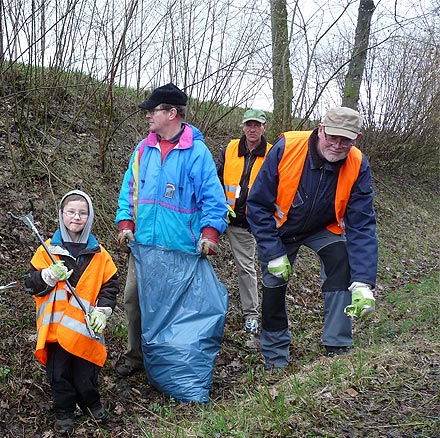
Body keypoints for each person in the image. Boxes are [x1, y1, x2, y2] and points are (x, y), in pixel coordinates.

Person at [246, 106, 378, 370]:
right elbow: (257, 205)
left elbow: (362, 224)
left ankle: (338, 345)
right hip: (281, 229)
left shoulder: (357, 163)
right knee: (274, 281)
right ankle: (275, 354)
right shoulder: (287, 147)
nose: (338, 145)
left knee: (341, 262)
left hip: (323, 227)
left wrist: (364, 282)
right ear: (320, 130)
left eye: (346, 140)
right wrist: (272, 252)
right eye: (332, 137)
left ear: (357, 138)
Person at [115, 83, 229, 377]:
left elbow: (213, 200)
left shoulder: (197, 153)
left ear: (172, 113)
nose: (148, 116)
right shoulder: (143, 149)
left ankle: (169, 363)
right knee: (134, 300)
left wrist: (210, 235)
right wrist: (126, 224)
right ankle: (135, 355)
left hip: (179, 249)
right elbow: (129, 191)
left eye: (153, 111)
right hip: (143, 246)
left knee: (173, 308)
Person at [23, 190, 119, 434]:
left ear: (90, 217)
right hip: (56, 331)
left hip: (86, 329)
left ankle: (91, 404)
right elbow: (30, 283)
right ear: (62, 215)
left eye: (82, 213)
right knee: (59, 375)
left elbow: (110, 286)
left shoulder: (100, 254)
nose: (76, 217)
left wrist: (103, 311)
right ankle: (64, 411)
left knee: (87, 373)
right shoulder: (47, 250)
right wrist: (47, 276)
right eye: (71, 212)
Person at [217, 109, 271, 334]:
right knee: (195, 255)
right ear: (243, 126)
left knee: (246, 269)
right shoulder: (230, 148)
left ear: (264, 128)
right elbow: (215, 178)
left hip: (247, 224)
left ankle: (251, 315)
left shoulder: (272, 153)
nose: (252, 129)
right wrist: (215, 208)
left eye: (257, 125)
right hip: (220, 217)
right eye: (249, 124)